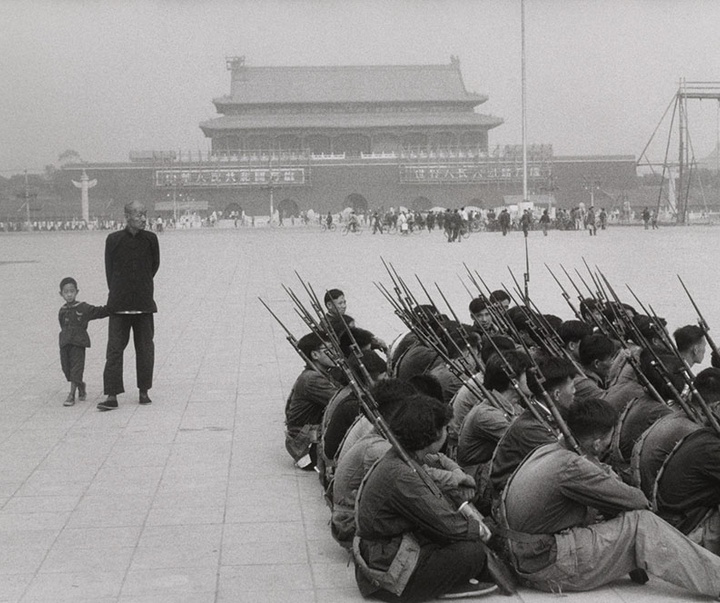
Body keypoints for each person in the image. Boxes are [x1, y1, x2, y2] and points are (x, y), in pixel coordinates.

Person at [498, 397, 720, 597]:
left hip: (528, 558)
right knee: (642, 523)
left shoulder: (548, 450)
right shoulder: (573, 466)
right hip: (547, 568)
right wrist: (601, 469)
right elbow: (638, 501)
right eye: (608, 438)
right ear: (596, 443)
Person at [353, 394, 497, 601]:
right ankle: (439, 585)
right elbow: (449, 525)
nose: (447, 434)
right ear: (431, 435)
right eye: (445, 429)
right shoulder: (402, 474)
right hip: (385, 564)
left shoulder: (402, 459)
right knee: (472, 553)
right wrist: (483, 530)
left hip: (385, 549)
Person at [99, 201, 160, 411]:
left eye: (144, 214)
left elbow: (154, 266)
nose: (143, 218)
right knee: (114, 350)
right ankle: (112, 394)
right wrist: (119, 291)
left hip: (143, 304)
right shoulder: (113, 240)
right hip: (119, 305)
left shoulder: (151, 239)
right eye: (138, 214)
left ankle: (144, 391)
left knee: (145, 349)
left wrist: (140, 285)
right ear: (127, 216)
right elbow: (109, 270)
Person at [285, 333, 340, 470]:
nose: (335, 353)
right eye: (328, 350)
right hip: (307, 446)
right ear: (315, 355)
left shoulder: (318, 374)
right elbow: (341, 401)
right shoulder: (312, 379)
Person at [58, 277, 109, 406]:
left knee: (76, 368)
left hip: (79, 343)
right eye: (66, 292)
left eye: (72, 291)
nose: (69, 294)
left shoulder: (83, 307)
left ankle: (71, 395)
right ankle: (81, 385)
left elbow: (99, 311)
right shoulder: (62, 311)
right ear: (61, 294)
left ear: (77, 292)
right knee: (67, 369)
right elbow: (62, 326)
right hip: (65, 343)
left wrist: (112, 307)